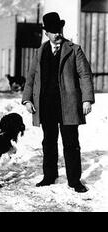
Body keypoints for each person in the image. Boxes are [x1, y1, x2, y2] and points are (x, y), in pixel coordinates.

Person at [22, 12, 94, 193]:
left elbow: (85, 75)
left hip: (68, 104)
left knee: (71, 143)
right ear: (46, 32)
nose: (57, 34)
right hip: (45, 105)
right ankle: (49, 176)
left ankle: (74, 181)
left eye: (59, 30)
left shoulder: (74, 49)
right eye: (53, 31)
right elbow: (31, 78)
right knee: (49, 142)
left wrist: (87, 99)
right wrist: (26, 99)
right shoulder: (40, 52)